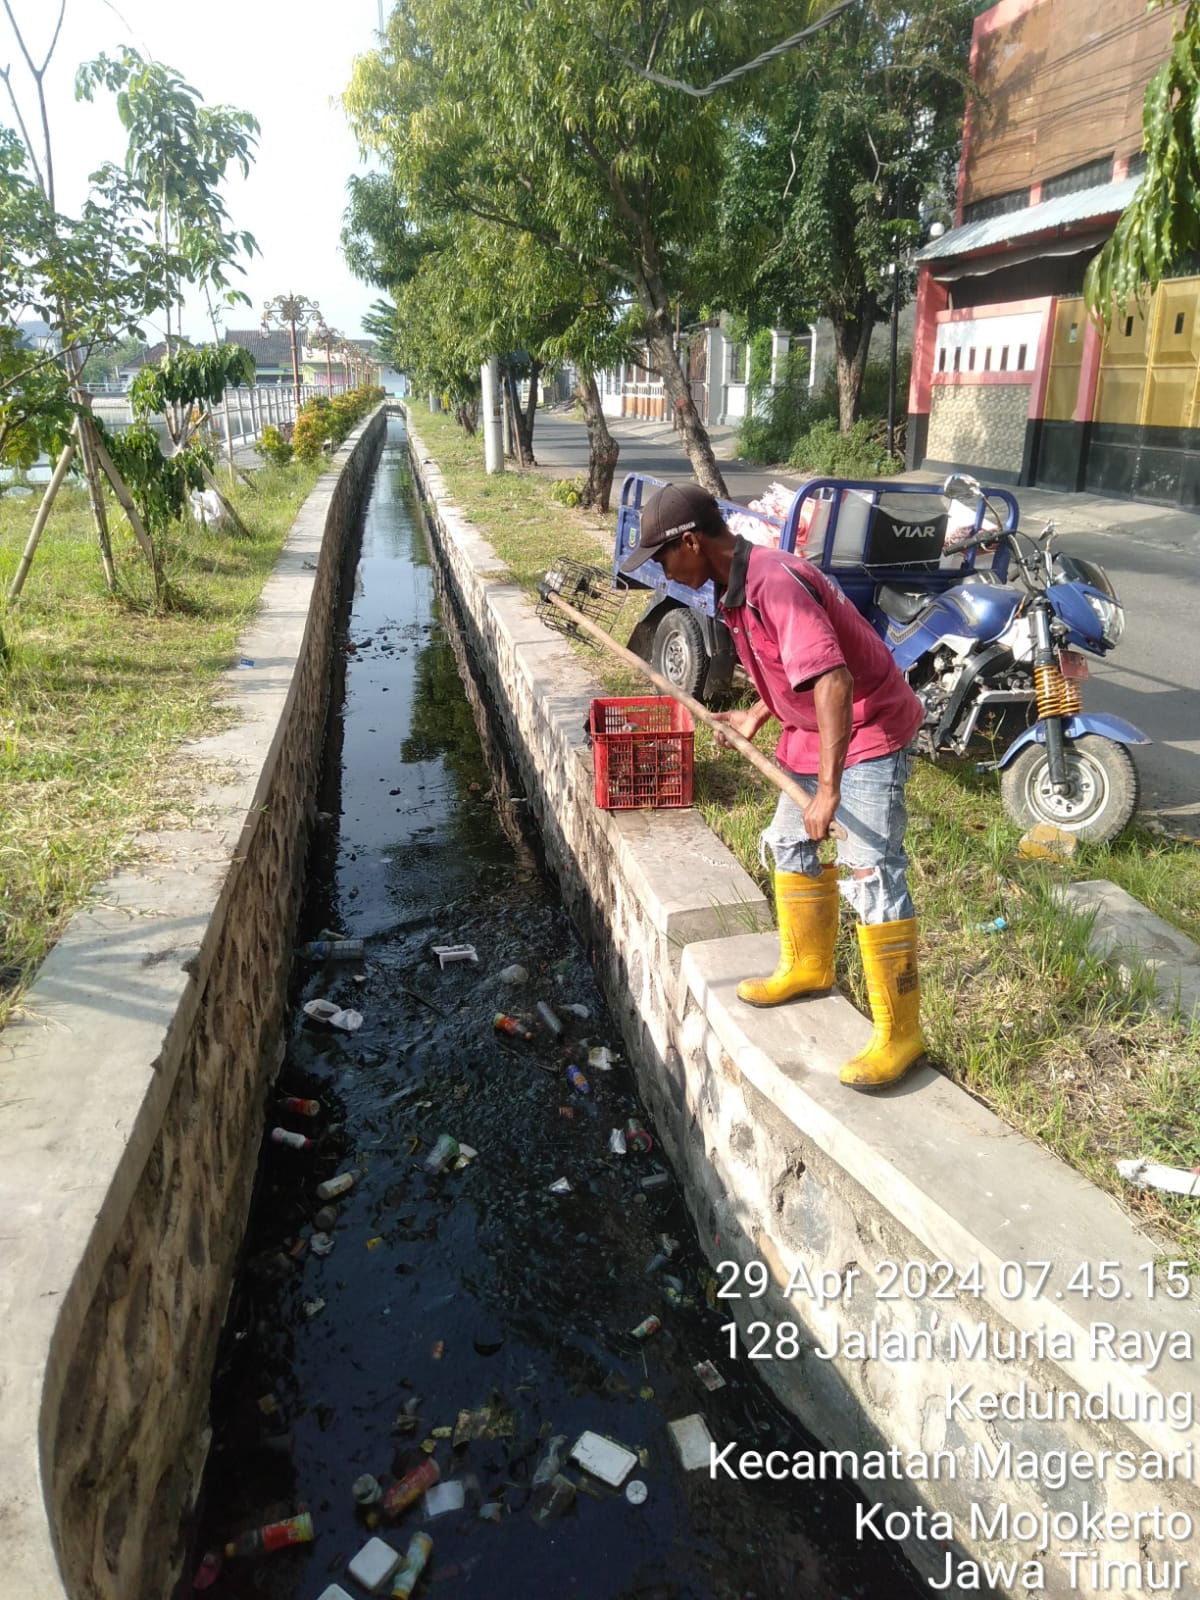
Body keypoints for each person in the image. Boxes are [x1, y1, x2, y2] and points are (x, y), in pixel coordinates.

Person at [621, 481, 925, 1089]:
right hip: (812, 731)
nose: (661, 568)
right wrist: (758, 715)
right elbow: (786, 665)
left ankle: (902, 1032)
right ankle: (810, 965)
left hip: (866, 730)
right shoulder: (735, 586)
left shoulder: (773, 582)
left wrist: (830, 791)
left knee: (871, 871)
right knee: (790, 845)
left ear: (690, 542)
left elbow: (834, 680)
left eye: (661, 556)